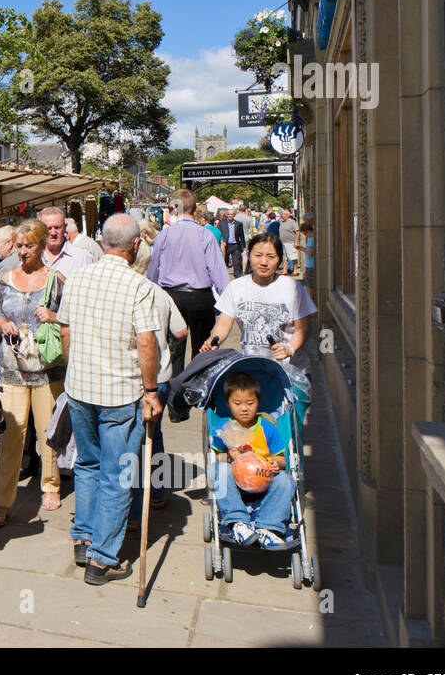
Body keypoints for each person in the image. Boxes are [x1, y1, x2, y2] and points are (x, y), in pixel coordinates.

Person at [57, 213, 162, 585]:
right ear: (135, 246)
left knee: (87, 464)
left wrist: (76, 369)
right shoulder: (139, 285)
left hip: (81, 389)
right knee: (117, 474)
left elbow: (65, 331)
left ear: (102, 242)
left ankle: (84, 538)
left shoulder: (78, 279)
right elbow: (147, 341)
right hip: (120, 393)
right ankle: (101, 558)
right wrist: (151, 391)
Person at [0, 219, 65, 522]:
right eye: (18, 245)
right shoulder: (5, 278)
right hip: (12, 367)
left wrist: (52, 315)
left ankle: (50, 485)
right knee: (11, 436)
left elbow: (70, 318)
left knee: (49, 432)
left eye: (28, 246)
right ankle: (2, 499)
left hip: (47, 368)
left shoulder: (55, 279)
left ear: (43, 244)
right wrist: (1, 323)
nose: (22, 251)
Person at [145, 189, 231, 422]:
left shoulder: (164, 235)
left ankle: (176, 405)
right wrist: (229, 301)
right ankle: (201, 396)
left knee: (174, 353)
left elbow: (152, 272)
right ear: (195, 210)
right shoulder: (205, 235)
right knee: (202, 350)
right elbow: (218, 272)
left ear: (174, 209)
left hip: (172, 297)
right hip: (201, 297)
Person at [129, 223, 189, 520]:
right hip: (161, 376)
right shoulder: (160, 293)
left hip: (137, 377)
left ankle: (138, 505)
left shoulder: (126, 290)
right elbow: (181, 331)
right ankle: (160, 490)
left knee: (138, 439)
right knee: (154, 433)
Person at [203, 233, 318, 370]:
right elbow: (223, 323)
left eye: (271, 257)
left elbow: (303, 328)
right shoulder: (235, 287)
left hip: (292, 370)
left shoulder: (293, 288)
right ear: (249, 256)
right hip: (254, 368)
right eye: (258, 255)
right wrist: (213, 341)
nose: (263, 262)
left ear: (280, 259)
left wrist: (289, 349)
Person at [207, 371, 293, 550]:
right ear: (228, 404)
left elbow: (280, 458)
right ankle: (238, 522)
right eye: (237, 404)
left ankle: (268, 526)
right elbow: (217, 457)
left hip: (264, 480)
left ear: (258, 403)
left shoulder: (267, 428)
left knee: (286, 480)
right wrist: (230, 456)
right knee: (218, 470)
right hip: (237, 483)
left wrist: (277, 464)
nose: (244, 408)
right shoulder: (225, 428)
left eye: (250, 403)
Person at [40, 206, 95, 279]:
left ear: (65, 227)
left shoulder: (82, 258)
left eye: (57, 227)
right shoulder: (33, 257)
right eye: (48, 228)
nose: (53, 233)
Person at [217, 208, 247, 279]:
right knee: (224, 262)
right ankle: (223, 277)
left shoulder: (238, 224)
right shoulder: (221, 223)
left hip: (235, 245)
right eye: (229, 214)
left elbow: (241, 235)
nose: (230, 216)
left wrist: (243, 246)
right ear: (227, 215)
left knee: (237, 262)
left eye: (232, 214)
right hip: (225, 246)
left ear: (234, 215)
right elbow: (218, 234)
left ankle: (237, 277)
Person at [279, 209, 298, 275]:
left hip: (290, 242)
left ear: (287, 215)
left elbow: (297, 231)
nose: (282, 215)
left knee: (293, 257)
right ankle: (285, 270)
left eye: (283, 214)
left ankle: (295, 270)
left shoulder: (292, 222)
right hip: (283, 242)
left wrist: (296, 241)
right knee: (285, 258)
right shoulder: (282, 222)